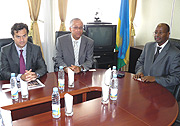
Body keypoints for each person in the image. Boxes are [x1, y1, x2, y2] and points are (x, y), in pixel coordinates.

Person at [133, 23, 180, 93]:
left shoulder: (175, 53)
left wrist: (155, 79)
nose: (157, 35)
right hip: (143, 86)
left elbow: (176, 78)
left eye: (160, 33)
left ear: (168, 34)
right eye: (156, 32)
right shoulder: (148, 46)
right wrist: (140, 71)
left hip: (162, 90)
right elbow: (140, 62)